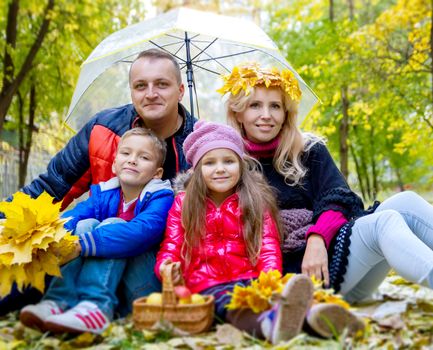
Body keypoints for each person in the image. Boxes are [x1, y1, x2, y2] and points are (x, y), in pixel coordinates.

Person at [0, 48, 196, 315]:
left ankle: (95, 307)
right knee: (19, 279)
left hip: (156, 266)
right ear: (132, 91)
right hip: (91, 252)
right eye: (141, 86)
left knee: (111, 227)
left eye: (162, 84)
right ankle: (57, 306)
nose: (151, 93)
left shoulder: (201, 144)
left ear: (181, 90)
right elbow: (51, 188)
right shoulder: (103, 128)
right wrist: (7, 221)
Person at [222, 63, 433, 310]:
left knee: (405, 202)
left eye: (275, 106)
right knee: (383, 222)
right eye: (255, 105)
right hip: (294, 279)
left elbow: (340, 198)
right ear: (238, 112)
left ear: (286, 113)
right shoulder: (228, 164)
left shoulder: (309, 150)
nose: (266, 114)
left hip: (336, 261)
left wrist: (317, 237)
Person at [154, 121, 360, 343]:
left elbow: (267, 244)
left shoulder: (253, 201)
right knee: (232, 306)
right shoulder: (184, 204)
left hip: (250, 277)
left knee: (270, 298)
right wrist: (165, 267)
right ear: (196, 170)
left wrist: (269, 279)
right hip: (205, 283)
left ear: (241, 165)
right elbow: (172, 245)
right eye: (210, 163)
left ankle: (316, 316)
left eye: (229, 161)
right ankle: (270, 326)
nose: (220, 168)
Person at [19, 128, 174, 334]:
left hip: (140, 288)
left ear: (157, 173)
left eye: (144, 157)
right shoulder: (104, 194)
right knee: (84, 225)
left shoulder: (161, 197)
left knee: (113, 225)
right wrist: (49, 237)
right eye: (126, 153)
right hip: (109, 285)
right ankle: (60, 301)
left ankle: (96, 307)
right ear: (115, 164)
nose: (133, 160)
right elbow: (72, 218)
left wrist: (82, 244)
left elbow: (143, 231)